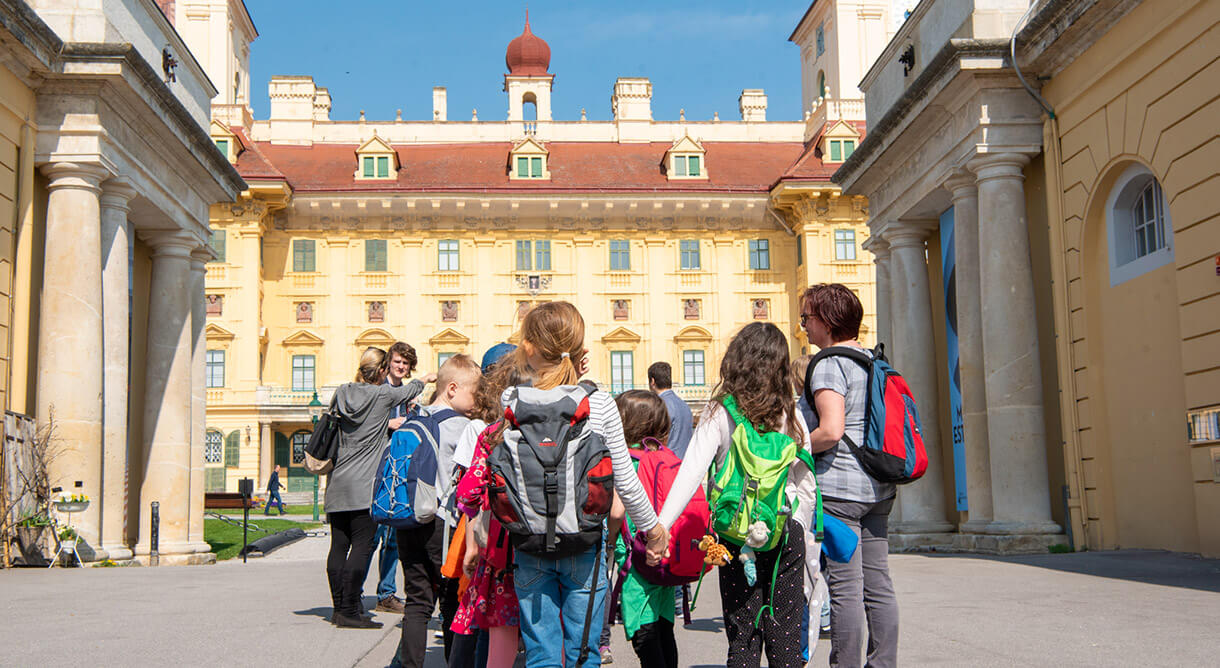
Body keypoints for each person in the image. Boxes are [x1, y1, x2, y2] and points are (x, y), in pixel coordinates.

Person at [505, 301, 670, 667]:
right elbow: (625, 480)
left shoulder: (512, 402)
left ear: (529, 348)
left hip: (529, 543)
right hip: (584, 542)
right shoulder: (597, 403)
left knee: (540, 657)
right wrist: (654, 530)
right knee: (584, 655)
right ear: (580, 350)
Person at [656, 322, 817, 668]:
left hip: (734, 536)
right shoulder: (790, 412)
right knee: (785, 640)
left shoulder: (720, 411)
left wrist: (661, 527)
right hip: (783, 530)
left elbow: (690, 474)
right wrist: (801, 525)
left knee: (743, 637)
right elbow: (806, 479)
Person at [801, 283, 898, 668]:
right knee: (878, 585)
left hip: (840, 492)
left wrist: (791, 449)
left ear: (826, 320)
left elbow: (831, 430)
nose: (803, 327)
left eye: (807, 318)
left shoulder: (828, 363)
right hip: (879, 487)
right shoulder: (874, 361)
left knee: (844, 587)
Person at [326, 346, 433, 630]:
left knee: (338, 547)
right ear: (383, 369)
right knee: (362, 547)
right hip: (364, 483)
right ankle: (350, 610)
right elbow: (409, 391)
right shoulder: (382, 395)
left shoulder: (341, 392)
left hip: (337, 481)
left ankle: (339, 608)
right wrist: (427, 378)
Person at [396, 354, 481, 668]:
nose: (477, 401)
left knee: (417, 602)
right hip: (441, 524)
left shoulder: (414, 419)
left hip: (407, 519)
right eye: (474, 393)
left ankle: (410, 665)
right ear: (453, 389)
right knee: (449, 602)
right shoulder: (464, 427)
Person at [449, 361, 528, 668]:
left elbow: (467, 493)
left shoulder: (493, 434)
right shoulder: (563, 428)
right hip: (554, 542)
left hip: (503, 549)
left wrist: (472, 545)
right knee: (548, 629)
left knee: (502, 630)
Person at [612, 390, 681, 668]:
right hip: (665, 555)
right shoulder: (666, 457)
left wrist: (608, 539)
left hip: (635, 559)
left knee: (644, 635)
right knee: (664, 630)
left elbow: (617, 511)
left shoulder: (626, 462)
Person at [371, 341, 419, 615]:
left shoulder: (408, 394)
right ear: (389, 362)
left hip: (399, 468)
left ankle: (386, 593)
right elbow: (365, 423)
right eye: (398, 361)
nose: (401, 367)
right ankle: (353, 593)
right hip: (378, 468)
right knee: (371, 537)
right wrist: (388, 423)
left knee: (392, 538)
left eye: (406, 363)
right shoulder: (379, 391)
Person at [647, 362, 693, 460]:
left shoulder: (659, 406)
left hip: (666, 464)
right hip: (683, 464)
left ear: (652, 381)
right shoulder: (684, 406)